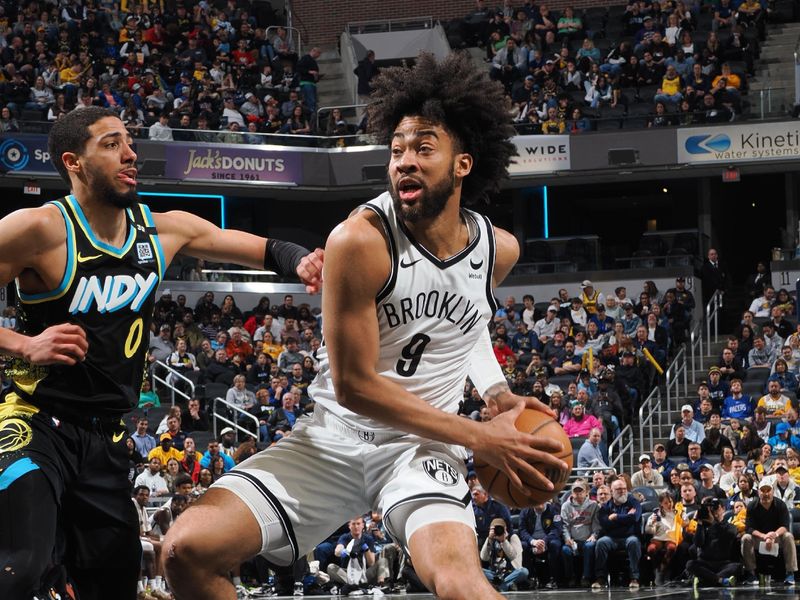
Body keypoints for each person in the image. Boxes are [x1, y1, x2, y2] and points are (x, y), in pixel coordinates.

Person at [164, 53, 567, 600]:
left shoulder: (499, 249)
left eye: (424, 148)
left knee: (458, 581)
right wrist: (479, 435)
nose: (405, 161)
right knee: (185, 550)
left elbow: (468, 321)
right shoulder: (360, 241)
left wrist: (495, 391)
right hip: (332, 439)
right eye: (397, 149)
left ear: (463, 164)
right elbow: (355, 387)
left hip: (422, 447)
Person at [0, 106, 323, 600]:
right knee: (21, 569)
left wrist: (298, 258)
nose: (131, 154)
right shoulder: (37, 228)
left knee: (113, 583)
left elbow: (246, 245)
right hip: (35, 424)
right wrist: (24, 343)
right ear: (74, 162)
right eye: (111, 144)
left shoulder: (162, 229)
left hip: (108, 439)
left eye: (129, 142)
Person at [740, 479, 797, 585]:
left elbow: (785, 526)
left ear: (773, 491)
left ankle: (790, 573)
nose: (765, 493)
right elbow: (749, 528)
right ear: (758, 492)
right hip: (759, 539)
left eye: (768, 490)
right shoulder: (752, 506)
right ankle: (751, 573)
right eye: (763, 491)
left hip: (776, 538)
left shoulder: (780, 504)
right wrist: (764, 536)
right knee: (745, 538)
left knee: (788, 536)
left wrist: (773, 535)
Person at [593, 478, 642, 590]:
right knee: (601, 542)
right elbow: (605, 523)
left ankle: (635, 578)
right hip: (612, 538)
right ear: (612, 491)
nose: (623, 491)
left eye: (624, 488)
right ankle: (601, 578)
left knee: (633, 542)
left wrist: (616, 517)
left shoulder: (633, 502)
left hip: (630, 537)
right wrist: (625, 519)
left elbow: (635, 518)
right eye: (619, 489)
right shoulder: (606, 506)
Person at [685, 497, 741, 588]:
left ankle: (705, 579)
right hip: (705, 563)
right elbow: (698, 543)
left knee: (737, 567)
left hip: (723, 564)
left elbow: (730, 534)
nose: (714, 511)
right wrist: (699, 523)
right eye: (711, 509)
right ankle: (720, 580)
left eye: (716, 508)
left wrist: (714, 523)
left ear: (723, 509)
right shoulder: (702, 526)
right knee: (690, 564)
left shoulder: (730, 527)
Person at [560, 479, 599, 587]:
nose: (578, 494)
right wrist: (567, 539)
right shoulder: (566, 506)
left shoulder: (593, 505)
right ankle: (571, 577)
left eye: (580, 491)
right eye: (575, 491)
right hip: (573, 540)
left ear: (587, 492)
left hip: (587, 539)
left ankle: (586, 577)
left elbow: (596, 524)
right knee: (565, 550)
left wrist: (594, 535)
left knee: (589, 546)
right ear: (572, 492)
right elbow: (564, 526)